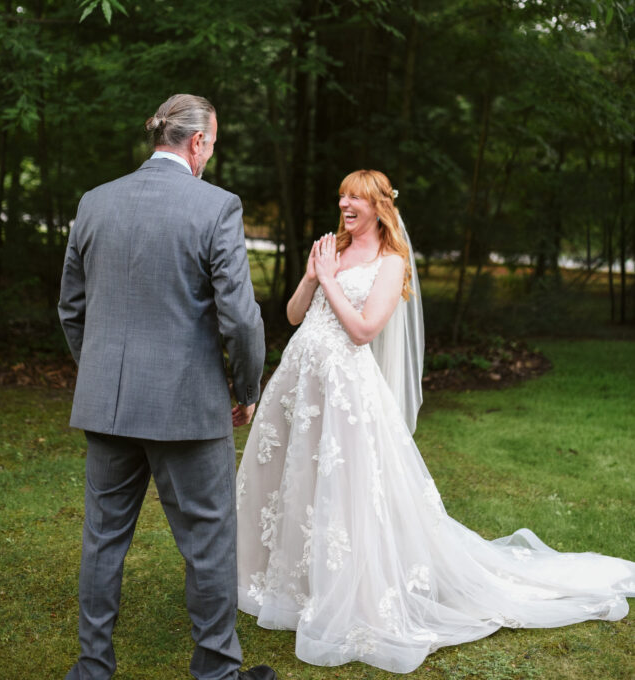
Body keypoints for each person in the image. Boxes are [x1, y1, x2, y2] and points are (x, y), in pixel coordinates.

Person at [236, 169, 635, 675]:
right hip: (300, 383)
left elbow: (361, 332)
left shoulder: (390, 263)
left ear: (380, 205)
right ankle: (292, 586)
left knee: (345, 489)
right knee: (296, 484)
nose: (344, 205)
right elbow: (294, 316)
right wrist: (315, 275)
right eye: (341, 196)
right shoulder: (329, 250)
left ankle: (350, 589)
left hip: (345, 394)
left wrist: (332, 282)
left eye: (355, 198)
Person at [58, 93, 277, 680]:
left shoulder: (95, 202)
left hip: (107, 404)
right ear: (199, 141)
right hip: (187, 406)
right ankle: (217, 673)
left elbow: (71, 309)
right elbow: (241, 319)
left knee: (102, 539)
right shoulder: (216, 207)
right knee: (207, 541)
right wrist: (246, 386)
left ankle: (92, 668)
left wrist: (100, 372)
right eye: (214, 143)